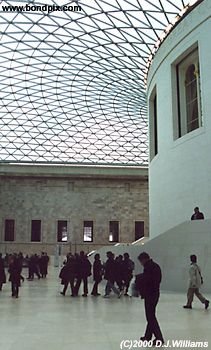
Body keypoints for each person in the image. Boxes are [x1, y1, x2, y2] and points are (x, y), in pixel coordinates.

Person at [138, 252, 164, 347]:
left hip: (150, 295)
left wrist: (139, 278)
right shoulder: (155, 266)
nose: (141, 263)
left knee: (150, 317)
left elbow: (148, 280)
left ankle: (159, 338)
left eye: (140, 261)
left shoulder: (149, 267)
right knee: (151, 315)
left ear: (144, 259)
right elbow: (158, 280)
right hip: (154, 294)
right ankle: (147, 336)